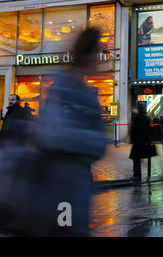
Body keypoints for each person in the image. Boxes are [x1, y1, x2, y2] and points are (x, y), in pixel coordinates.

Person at [39, 27, 108, 236]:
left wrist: (83, 138)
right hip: (62, 183)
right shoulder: (63, 86)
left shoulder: (86, 92)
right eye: (98, 53)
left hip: (79, 182)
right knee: (65, 229)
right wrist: (88, 139)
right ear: (87, 55)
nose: (101, 59)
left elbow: (99, 144)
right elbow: (56, 134)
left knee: (73, 227)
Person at [129, 104, 152, 181]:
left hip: (137, 142)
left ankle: (137, 175)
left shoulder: (137, 118)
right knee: (137, 157)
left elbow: (132, 131)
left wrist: (132, 139)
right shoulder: (146, 118)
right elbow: (149, 130)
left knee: (135, 157)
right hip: (144, 141)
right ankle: (139, 174)